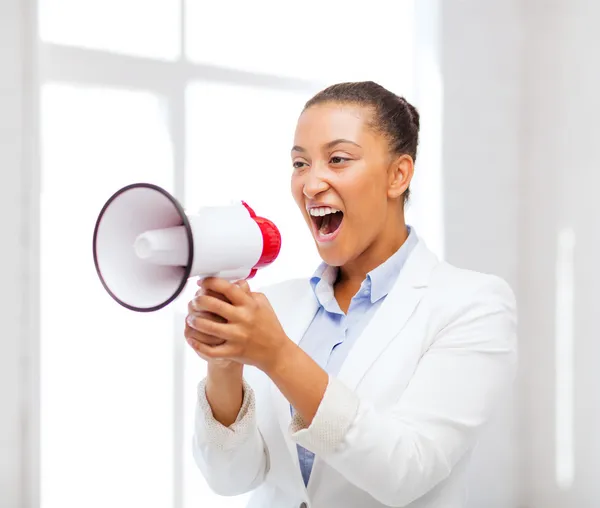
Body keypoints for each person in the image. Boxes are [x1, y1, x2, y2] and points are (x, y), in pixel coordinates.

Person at [184, 81, 517, 508]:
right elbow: (231, 478)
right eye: (300, 163)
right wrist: (225, 366)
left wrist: (277, 355)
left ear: (398, 175)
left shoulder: (473, 304)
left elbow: (405, 472)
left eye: (337, 159)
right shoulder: (277, 306)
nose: (310, 183)